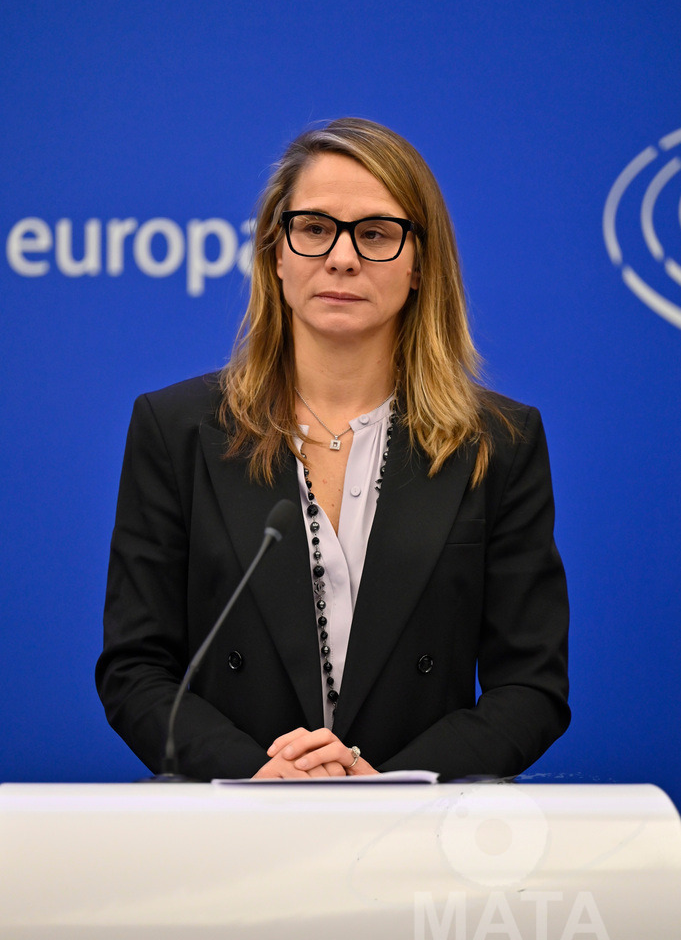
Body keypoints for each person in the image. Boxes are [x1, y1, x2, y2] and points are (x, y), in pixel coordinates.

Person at [96, 117, 570, 781]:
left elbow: (530, 687)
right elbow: (136, 668)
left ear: (420, 264)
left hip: (418, 821)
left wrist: (391, 788)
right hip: (233, 816)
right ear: (276, 254)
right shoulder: (175, 428)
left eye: (375, 233)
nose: (342, 258)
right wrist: (254, 774)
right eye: (315, 228)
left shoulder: (497, 442)